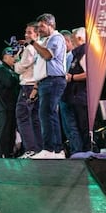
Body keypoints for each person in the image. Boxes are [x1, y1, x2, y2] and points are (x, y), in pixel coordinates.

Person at [30, 13, 67, 159]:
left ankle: (50, 149)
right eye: (38, 27)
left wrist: (33, 43)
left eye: (42, 26)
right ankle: (57, 151)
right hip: (47, 82)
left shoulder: (56, 38)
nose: (39, 29)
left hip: (54, 80)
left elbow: (48, 55)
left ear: (51, 25)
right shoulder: (45, 40)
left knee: (46, 114)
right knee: (49, 114)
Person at [4, 22, 43, 159]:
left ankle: (32, 149)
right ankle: (38, 149)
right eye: (26, 32)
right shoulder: (39, 47)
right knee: (34, 118)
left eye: (30, 32)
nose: (26, 35)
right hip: (35, 85)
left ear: (37, 34)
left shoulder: (30, 48)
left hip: (28, 86)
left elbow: (21, 67)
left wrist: (16, 61)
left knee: (23, 117)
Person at [62, 27, 91, 156]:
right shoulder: (77, 53)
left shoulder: (84, 51)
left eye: (72, 40)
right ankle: (78, 153)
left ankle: (83, 153)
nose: (71, 43)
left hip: (80, 96)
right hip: (74, 97)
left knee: (81, 128)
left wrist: (72, 77)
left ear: (79, 39)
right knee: (75, 128)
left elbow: (90, 73)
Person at [0, 46, 20, 158]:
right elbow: (9, 83)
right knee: (4, 132)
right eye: (12, 56)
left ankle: (10, 153)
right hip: (4, 107)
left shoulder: (11, 70)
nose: (14, 58)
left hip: (12, 106)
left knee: (11, 132)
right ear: (5, 57)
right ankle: (1, 155)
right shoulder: (1, 69)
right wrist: (17, 76)